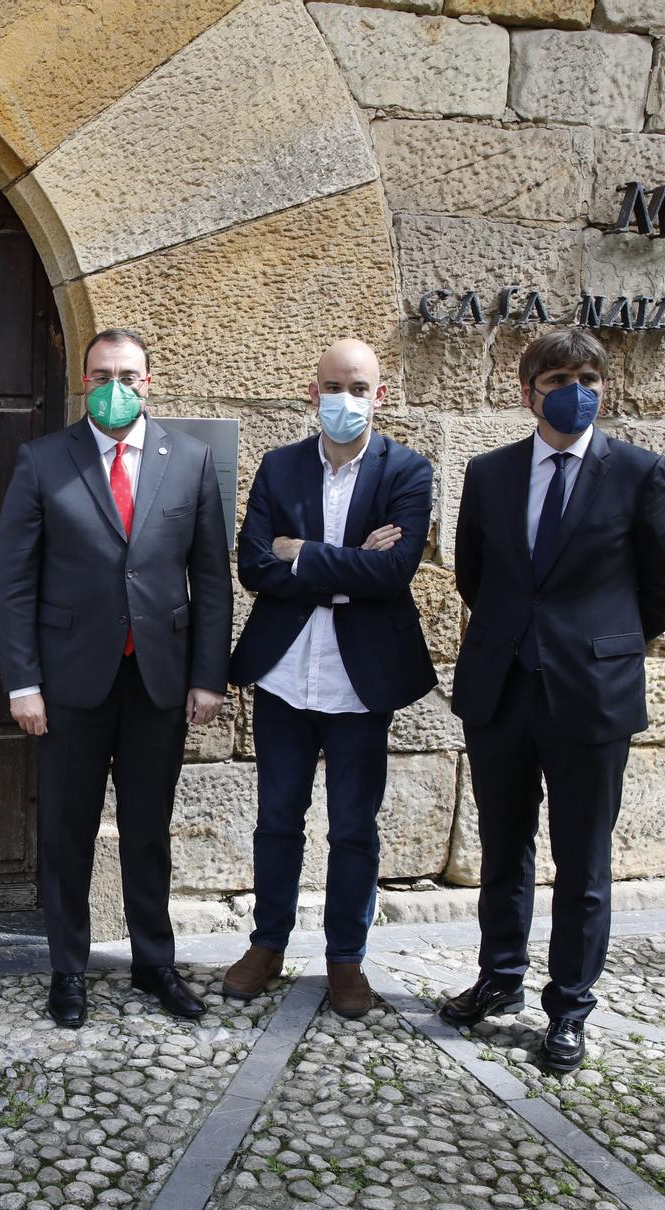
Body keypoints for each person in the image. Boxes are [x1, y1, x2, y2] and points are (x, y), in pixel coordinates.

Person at [443, 329, 665, 1071]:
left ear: (602, 389)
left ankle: (570, 1006)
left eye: (586, 376)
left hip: (592, 695)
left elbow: (663, 590)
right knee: (502, 848)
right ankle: (500, 977)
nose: (572, 388)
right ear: (529, 392)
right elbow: (473, 574)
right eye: (556, 376)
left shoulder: (640, 472)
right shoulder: (489, 473)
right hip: (503, 685)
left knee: (583, 858)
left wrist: (596, 644)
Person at [0, 328, 232, 1028]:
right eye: (102, 373)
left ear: (149, 381)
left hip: (158, 680)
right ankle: (68, 968)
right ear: (83, 380)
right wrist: (22, 682)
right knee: (67, 832)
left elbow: (211, 578)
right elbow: (14, 582)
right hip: (69, 682)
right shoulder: (43, 460)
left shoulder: (189, 460)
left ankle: (154, 962)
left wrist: (208, 675)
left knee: (148, 829)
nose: (115, 385)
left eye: (128, 373)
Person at [223, 339, 436, 1018]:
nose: (344, 398)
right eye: (332, 385)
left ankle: (346, 958)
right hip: (285, 674)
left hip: (359, 680)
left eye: (358, 386)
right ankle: (267, 943)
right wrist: (342, 562)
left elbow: (392, 574)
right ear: (311, 392)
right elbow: (255, 566)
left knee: (353, 826)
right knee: (276, 820)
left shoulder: (407, 471)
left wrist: (304, 554)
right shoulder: (280, 466)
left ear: (380, 395)